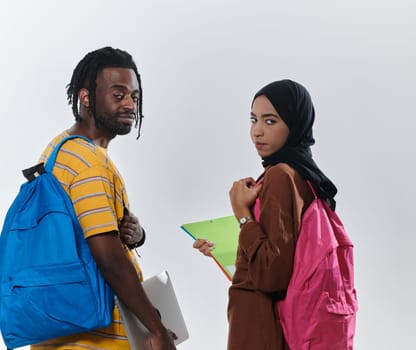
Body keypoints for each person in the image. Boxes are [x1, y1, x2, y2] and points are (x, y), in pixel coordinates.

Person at [31, 47, 176, 350]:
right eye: (118, 94)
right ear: (86, 98)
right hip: (93, 341)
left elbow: (81, 234)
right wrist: (157, 328)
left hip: (63, 334)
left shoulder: (60, 148)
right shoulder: (88, 161)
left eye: (134, 97)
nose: (129, 105)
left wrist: (134, 236)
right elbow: (108, 257)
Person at [194, 79, 341, 349]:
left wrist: (242, 214)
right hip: (274, 328)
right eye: (254, 119)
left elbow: (272, 275)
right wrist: (228, 250)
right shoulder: (304, 176)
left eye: (270, 121)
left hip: (263, 331)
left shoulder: (280, 176)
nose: (257, 132)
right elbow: (287, 256)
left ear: (295, 124)